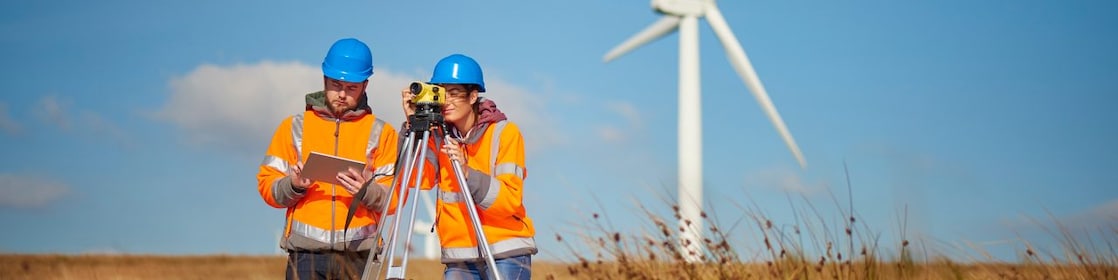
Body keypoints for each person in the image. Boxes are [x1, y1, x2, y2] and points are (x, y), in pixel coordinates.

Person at [257, 37, 400, 280]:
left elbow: (395, 198)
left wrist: (366, 191)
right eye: (336, 85)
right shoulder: (294, 127)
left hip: (358, 255)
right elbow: (267, 187)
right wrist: (293, 185)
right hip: (305, 255)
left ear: (365, 86)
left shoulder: (382, 133)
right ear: (324, 80)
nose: (342, 94)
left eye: (351, 87)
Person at [400, 54, 537, 279]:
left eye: (455, 93)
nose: (448, 102)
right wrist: (412, 127)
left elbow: (510, 200)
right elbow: (418, 179)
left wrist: (467, 173)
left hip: (505, 251)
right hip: (460, 256)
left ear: (473, 96)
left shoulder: (504, 133)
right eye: (443, 93)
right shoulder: (436, 136)